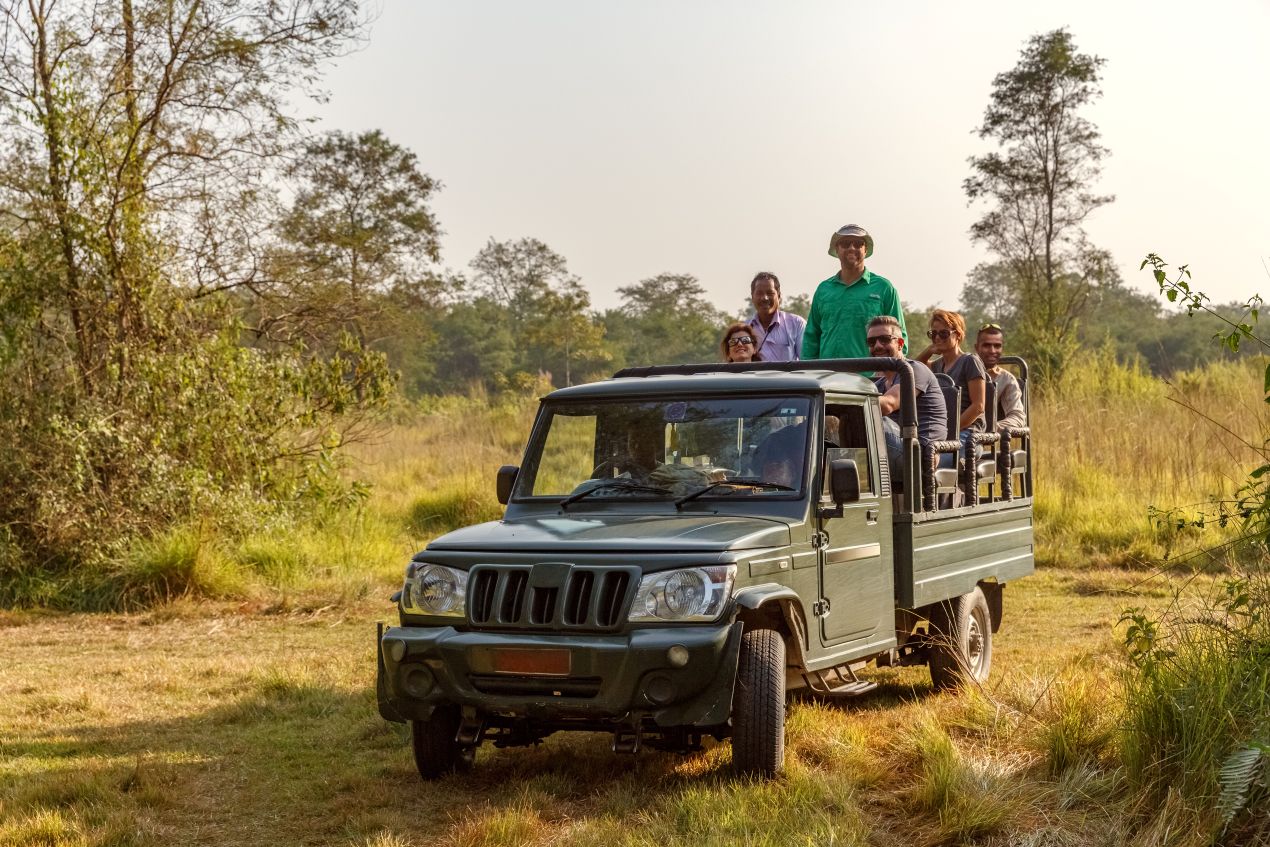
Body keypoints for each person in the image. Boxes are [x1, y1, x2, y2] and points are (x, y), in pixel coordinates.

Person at [802, 224, 907, 360]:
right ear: (837, 249)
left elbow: (899, 336)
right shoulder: (823, 289)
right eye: (845, 243)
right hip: (828, 375)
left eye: (858, 244)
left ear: (865, 249)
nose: (852, 248)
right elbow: (812, 336)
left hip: (870, 377)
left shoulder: (884, 288)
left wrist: (889, 375)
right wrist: (809, 370)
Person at [865, 315, 946, 484]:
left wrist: (845, 401)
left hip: (920, 455)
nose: (878, 346)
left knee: (878, 423)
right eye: (872, 342)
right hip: (896, 451)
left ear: (900, 344)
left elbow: (888, 405)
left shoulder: (914, 371)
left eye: (885, 340)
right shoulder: (879, 385)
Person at [915, 309, 985, 468]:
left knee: (927, 464)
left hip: (968, 436)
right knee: (914, 460)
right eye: (933, 334)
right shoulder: (936, 366)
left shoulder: (970, 361)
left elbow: (978, 407)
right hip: (941, 436)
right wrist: (928, 351)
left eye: (944, 334)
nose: (938, 338)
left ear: (958, 335)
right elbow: (912, 370)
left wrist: (949, 430)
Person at [974, 323, 1026, 430]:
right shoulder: (963, 370)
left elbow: (1018, 417)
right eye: (986, 345)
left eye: (997, 346)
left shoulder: (1006, 380)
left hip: (980, 438)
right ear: (976, 348)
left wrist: (989, 429)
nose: (992, 351)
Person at [746, 271, 805, 361]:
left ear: (779, 296)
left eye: (770, 293)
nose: (764, 298)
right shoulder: (744, 328)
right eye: (759, 293)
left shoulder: (796, 324)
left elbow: (807, 362)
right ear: (752, 297)